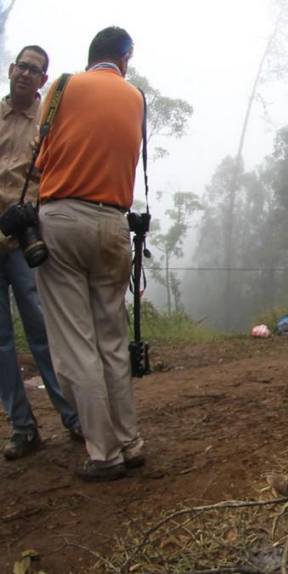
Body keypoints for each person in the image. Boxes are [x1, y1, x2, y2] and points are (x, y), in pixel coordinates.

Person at [35, 27, 145, 482]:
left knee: (76, 346)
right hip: (114, 223)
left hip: (62, 218)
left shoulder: (62, 87)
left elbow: (40, 159)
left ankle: (104, 454)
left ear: (90, 55)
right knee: (112, 340)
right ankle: (130, 442)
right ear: (124, 58)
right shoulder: (135, 97)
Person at [0, 45, 82, 460]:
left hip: (25, 242)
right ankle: (22, 427)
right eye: (22, 67)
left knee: (42, 332)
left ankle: (74, 418)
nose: (27, 75)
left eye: (36, 70)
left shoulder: (48, 124)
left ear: (43, 80)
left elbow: (57, 174)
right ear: (11, 70)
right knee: (0, 343)